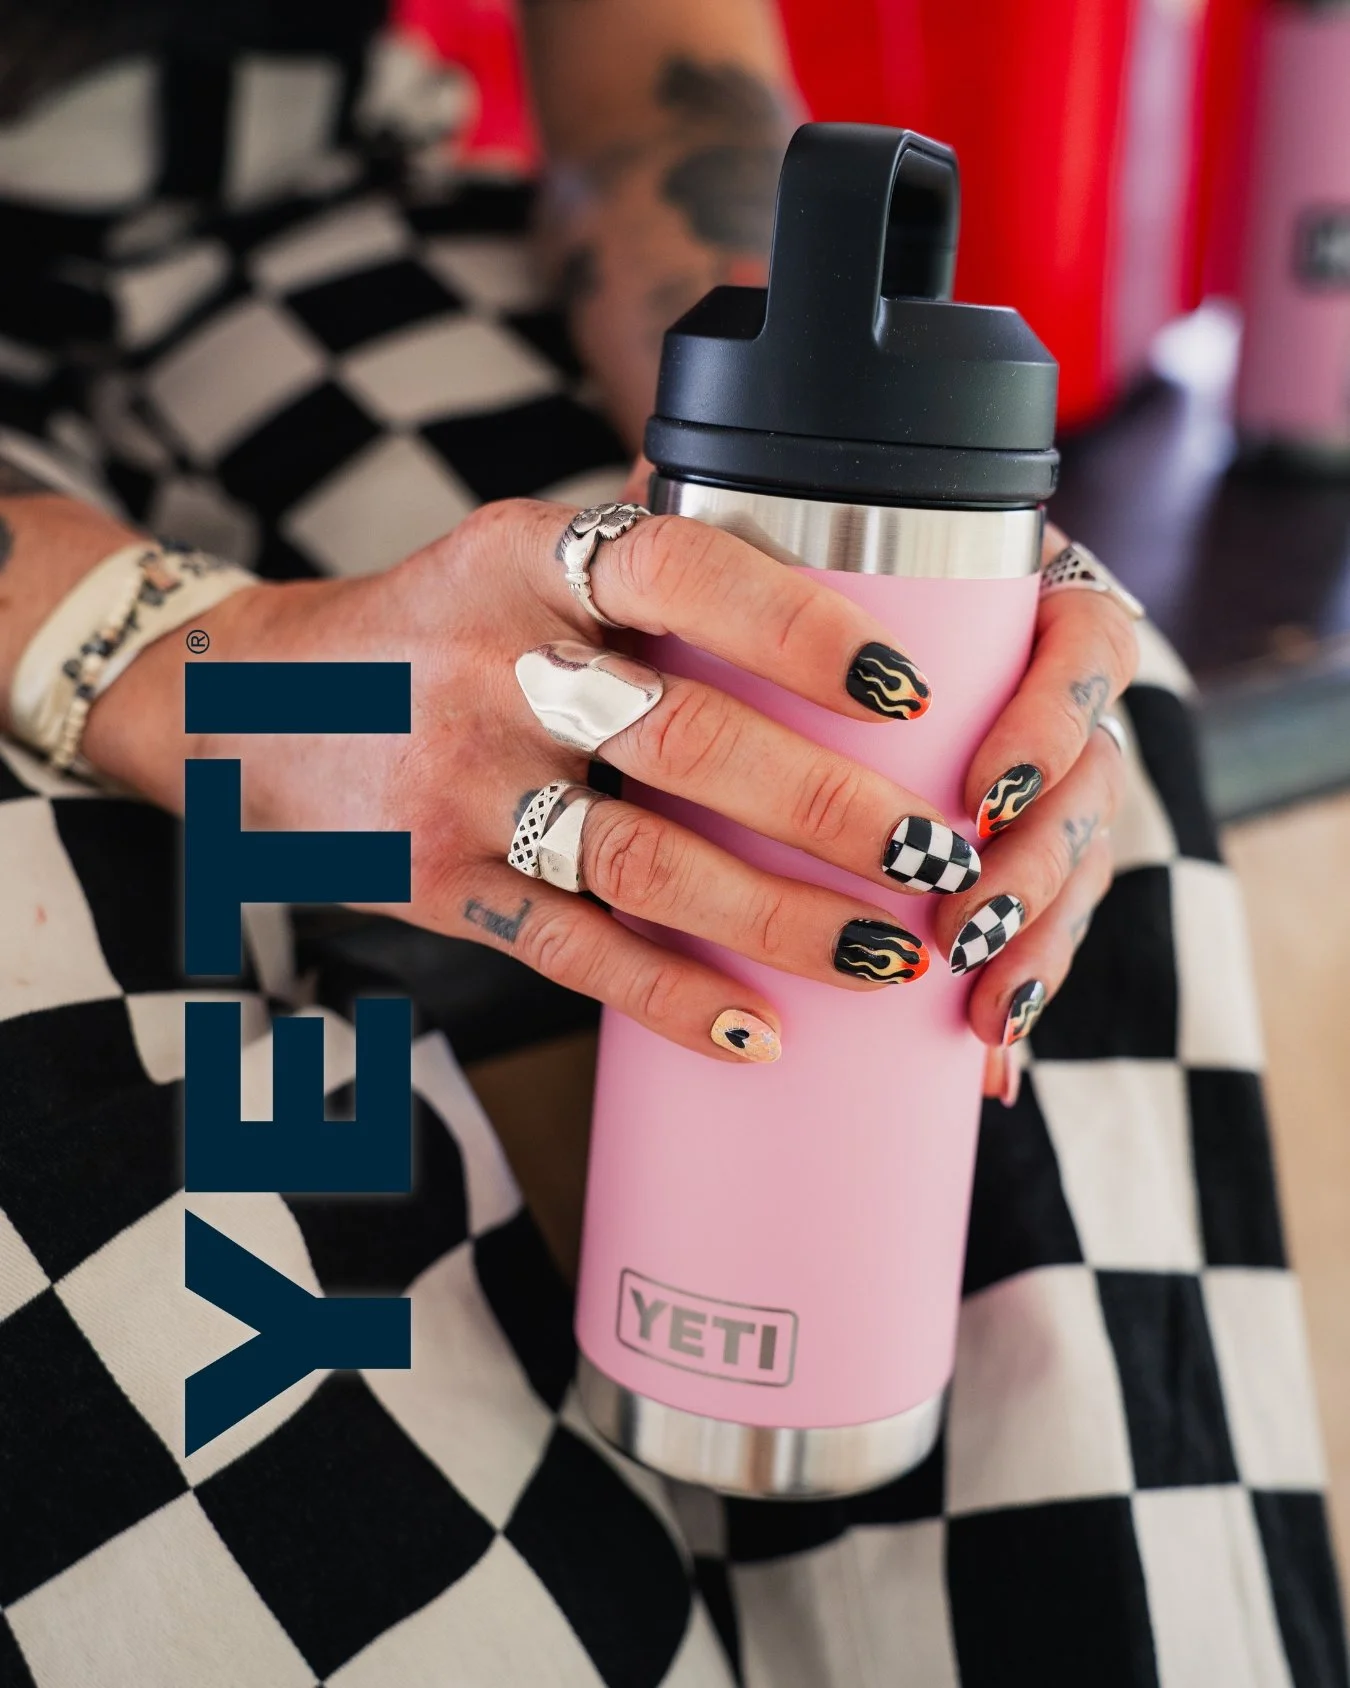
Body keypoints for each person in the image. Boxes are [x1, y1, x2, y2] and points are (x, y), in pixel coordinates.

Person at [0, 3, 1344, 1685]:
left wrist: (859, 497)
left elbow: (654, 70)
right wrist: (154, 655)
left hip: (296, 208)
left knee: (991, 736)